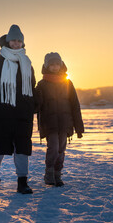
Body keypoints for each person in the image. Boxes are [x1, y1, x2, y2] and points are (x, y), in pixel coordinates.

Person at [0, 25, 36, 194]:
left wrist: (33, 106)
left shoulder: (27, 63)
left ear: (22, 43)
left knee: (22, 148)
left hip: (21, 114)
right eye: (13, 40)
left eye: (19, 41)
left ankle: (22, 182)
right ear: (8, 41)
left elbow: (31, 88)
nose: (16, 43)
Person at [36, 52, 84, 187]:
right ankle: (49, 173)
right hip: (49, 124)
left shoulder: (67, 83)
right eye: (52, 64)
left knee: (61, 149)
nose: (55, 67)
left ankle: (57, 174)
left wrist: (79, 127)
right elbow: (37, 105)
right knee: (53, 148)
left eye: (57, 64)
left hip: (65, 123)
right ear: (47, 66)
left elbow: (75, 105)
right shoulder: (42, 84)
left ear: (61, 65)